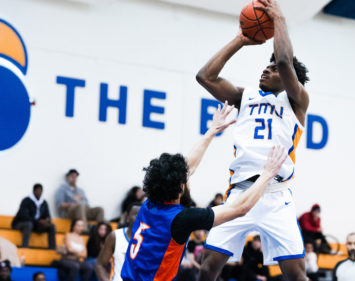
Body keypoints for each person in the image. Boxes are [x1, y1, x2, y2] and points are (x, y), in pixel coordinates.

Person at [196, 0, 310, 279]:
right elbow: (204, 76)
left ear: (288, 79)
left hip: (276, 194)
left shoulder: (296, 101)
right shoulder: (244, 96)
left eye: (272, 70)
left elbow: (284, 61)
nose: (266, 70)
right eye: (266, 67)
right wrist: (240, 40)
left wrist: (280, 19)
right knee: (208, 269)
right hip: (240, 192)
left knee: (297, 276)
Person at [120, 103, 288, 281]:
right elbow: (240, 208)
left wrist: (212, 130)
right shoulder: (180, 219)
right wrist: (267, 175)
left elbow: (187, 168)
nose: (189, 177)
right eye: (186, 179)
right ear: (180, 187)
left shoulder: (149, 204)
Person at [95, 205, 141, 281]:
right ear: (127, 218)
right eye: (136, 215)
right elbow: (100, 264)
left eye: (143, 215)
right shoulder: (115, 236)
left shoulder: (151, 240)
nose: (140, 218)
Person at [12, 183, 56, 249]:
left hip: (35, 225)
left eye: (40, 190)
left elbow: (48, 215)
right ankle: (25, 247)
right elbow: (24, 216)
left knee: (51, 226)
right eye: (37, 190)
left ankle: (52, 249)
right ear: (34, 191)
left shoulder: (44, 202)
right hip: (20, 223)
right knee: (29, 224)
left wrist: (47, 220)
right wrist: (39, 221)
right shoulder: (26, 200)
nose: (39, 192)